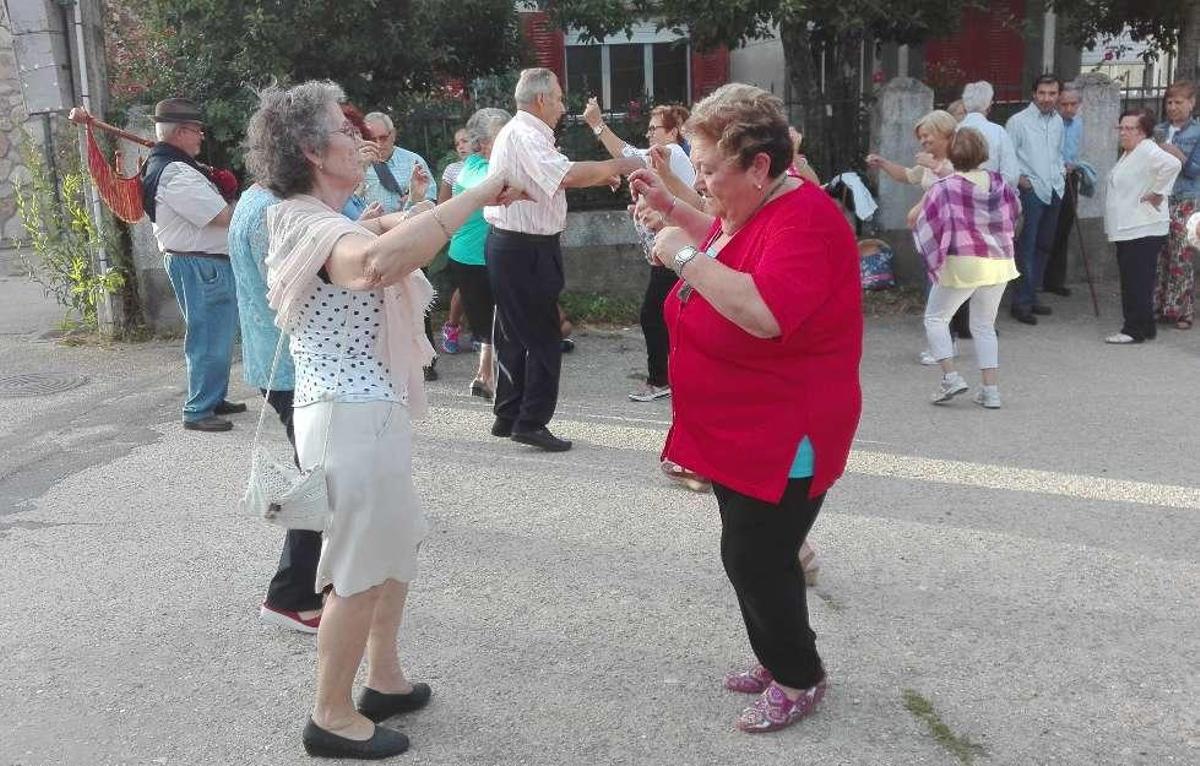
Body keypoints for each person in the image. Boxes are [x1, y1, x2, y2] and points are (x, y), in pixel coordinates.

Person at [245, 79, 527, 759]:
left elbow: (378, 232)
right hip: (346, 417)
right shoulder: (299, 219)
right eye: (345, 131)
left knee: (393, 549)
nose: (361, 138)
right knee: (360, 568)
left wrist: (432, 207)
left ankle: (385, 680)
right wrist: (477, 195)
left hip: (366, 412)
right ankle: (332, 716)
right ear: (313, 150)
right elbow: (372, 264)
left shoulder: (330, 214)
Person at [631, 83, 862, 733]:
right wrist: (671, 208)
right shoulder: (767, 208)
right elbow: (732, 242)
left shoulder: (808, 220)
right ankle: (779, 650)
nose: (699, 182)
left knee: (753, 557)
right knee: (762, 552)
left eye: (706, 169)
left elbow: (762, 311)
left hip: (790, 426)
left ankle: (798, 674)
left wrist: (677, 253)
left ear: (759, 166)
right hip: (747, 423)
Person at [483, 67, 644, 452]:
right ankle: (530, 421)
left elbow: (554, 177)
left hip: (515, 245)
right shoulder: (524, 133)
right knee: (541, 337)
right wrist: (619, 166)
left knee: (514, 334)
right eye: (557, 97)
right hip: (525, 248)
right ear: (541, 100)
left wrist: (600, 173)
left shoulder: (525, 133)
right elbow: (565, 175)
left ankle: (509, 413)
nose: (561, 105)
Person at [140, 97, 244, 432]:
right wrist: (249, 206)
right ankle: (199, 409)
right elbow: (221, 216)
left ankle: (213, 397)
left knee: (219, 334)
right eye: (196, 130)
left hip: (202, 262)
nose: (201, 136)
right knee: (209, 337)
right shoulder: (175, 173)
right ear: (180, 132)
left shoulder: (176, 168)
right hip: (200, 264)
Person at [583, 99, 696, 402]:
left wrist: (597, 124)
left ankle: (660, 380)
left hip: (675, 248)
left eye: (654, 128)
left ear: (673, 132)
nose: (648, 134)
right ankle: (677, 375)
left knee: (653, 313)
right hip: (670, 247)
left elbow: (628, 156)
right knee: (671, 313)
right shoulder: (672, 158)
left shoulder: (669, 153)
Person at [913, 128, 1021, 408]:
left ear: (952, 153)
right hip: (999, 261)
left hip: (962, 261)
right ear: (983, 152)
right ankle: (991, 391)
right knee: (984, 325)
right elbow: (1016, 210)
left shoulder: (946, 186)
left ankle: (951, 378)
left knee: (935, 319)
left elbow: (924, 223)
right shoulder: (999, 182)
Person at [866, 110, 970, 359]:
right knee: (939, 290)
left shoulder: (957, 162)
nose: (924, 142)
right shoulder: (929, 162)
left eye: (928, 136)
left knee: (937, 292)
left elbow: (954, 186)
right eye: (921, 137)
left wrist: (920, 206)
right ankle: (947, 342)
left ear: (945, 133)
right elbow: (907, 175)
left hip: (951, 237)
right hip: (932, 238)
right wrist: (883, 163)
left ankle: (943, 346)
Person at [447, 107, 512, 400]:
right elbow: (486, 187)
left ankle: (487, 376)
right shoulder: (474, 167)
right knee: (488, 321)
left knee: (496, 320)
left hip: (489, 255)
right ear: (483, 143)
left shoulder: (487, 164)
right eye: (502, 135)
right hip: (472, 258)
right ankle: (488, 376)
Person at [1104, 109, 1181, 344]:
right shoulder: (1132, 152)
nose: (1124, 133)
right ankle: (1145, 325)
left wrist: (1157, 192)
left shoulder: (1147, 149)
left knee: (1135, 281)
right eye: (1122, 128)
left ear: (1143, 132)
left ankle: (1133, 329)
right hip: (1131, 227)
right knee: (1138, 279)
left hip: (1142, 227)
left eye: (1130, 129)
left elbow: (1174, 164)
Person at [1007, 74, 1065, 324]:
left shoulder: (1058, 121)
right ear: (1034, 94)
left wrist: (1062, 171)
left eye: (1052, 94)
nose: (1046, 98)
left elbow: (1057, 153)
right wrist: (1022, 181)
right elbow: (1007, 157)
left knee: (1044, 246)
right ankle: (1021, 302)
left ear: (1058, 95)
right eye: (1042, 93)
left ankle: (1033, 295)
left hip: (1054, 189)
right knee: (1026, 247)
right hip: (1030, 192)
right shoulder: (1017, 121)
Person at [1152, 81, 1200, 329]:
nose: (1172, 107)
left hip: (1187, 199)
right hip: (1161, 197)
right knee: (1159, 252)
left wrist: (1176, 154)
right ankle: (1158, 305)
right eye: (1169, 102)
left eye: (1178, 102)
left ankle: (1183, 311)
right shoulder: (1159, 129)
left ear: (1191, 103)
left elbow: (1195, 171)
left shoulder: (1197, 132)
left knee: (1182, 253)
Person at [1044, 83, 1084, 297]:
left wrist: (1074, 165)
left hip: (1070, 177)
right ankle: (1039, 279)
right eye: (1064, 104)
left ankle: (1055, 280)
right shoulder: (1051, 123)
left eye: (1073, 104)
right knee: (1047, 229)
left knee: (1064, 229)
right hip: (1051, 179)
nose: (1069, 108)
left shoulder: (1078, 123)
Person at [959, 81, 1020, 187]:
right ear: (989, 105)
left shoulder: (954, 130)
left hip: (956, 195)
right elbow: (1011, 176)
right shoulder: (998, 132)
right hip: (991, 196)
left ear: (964, 105)